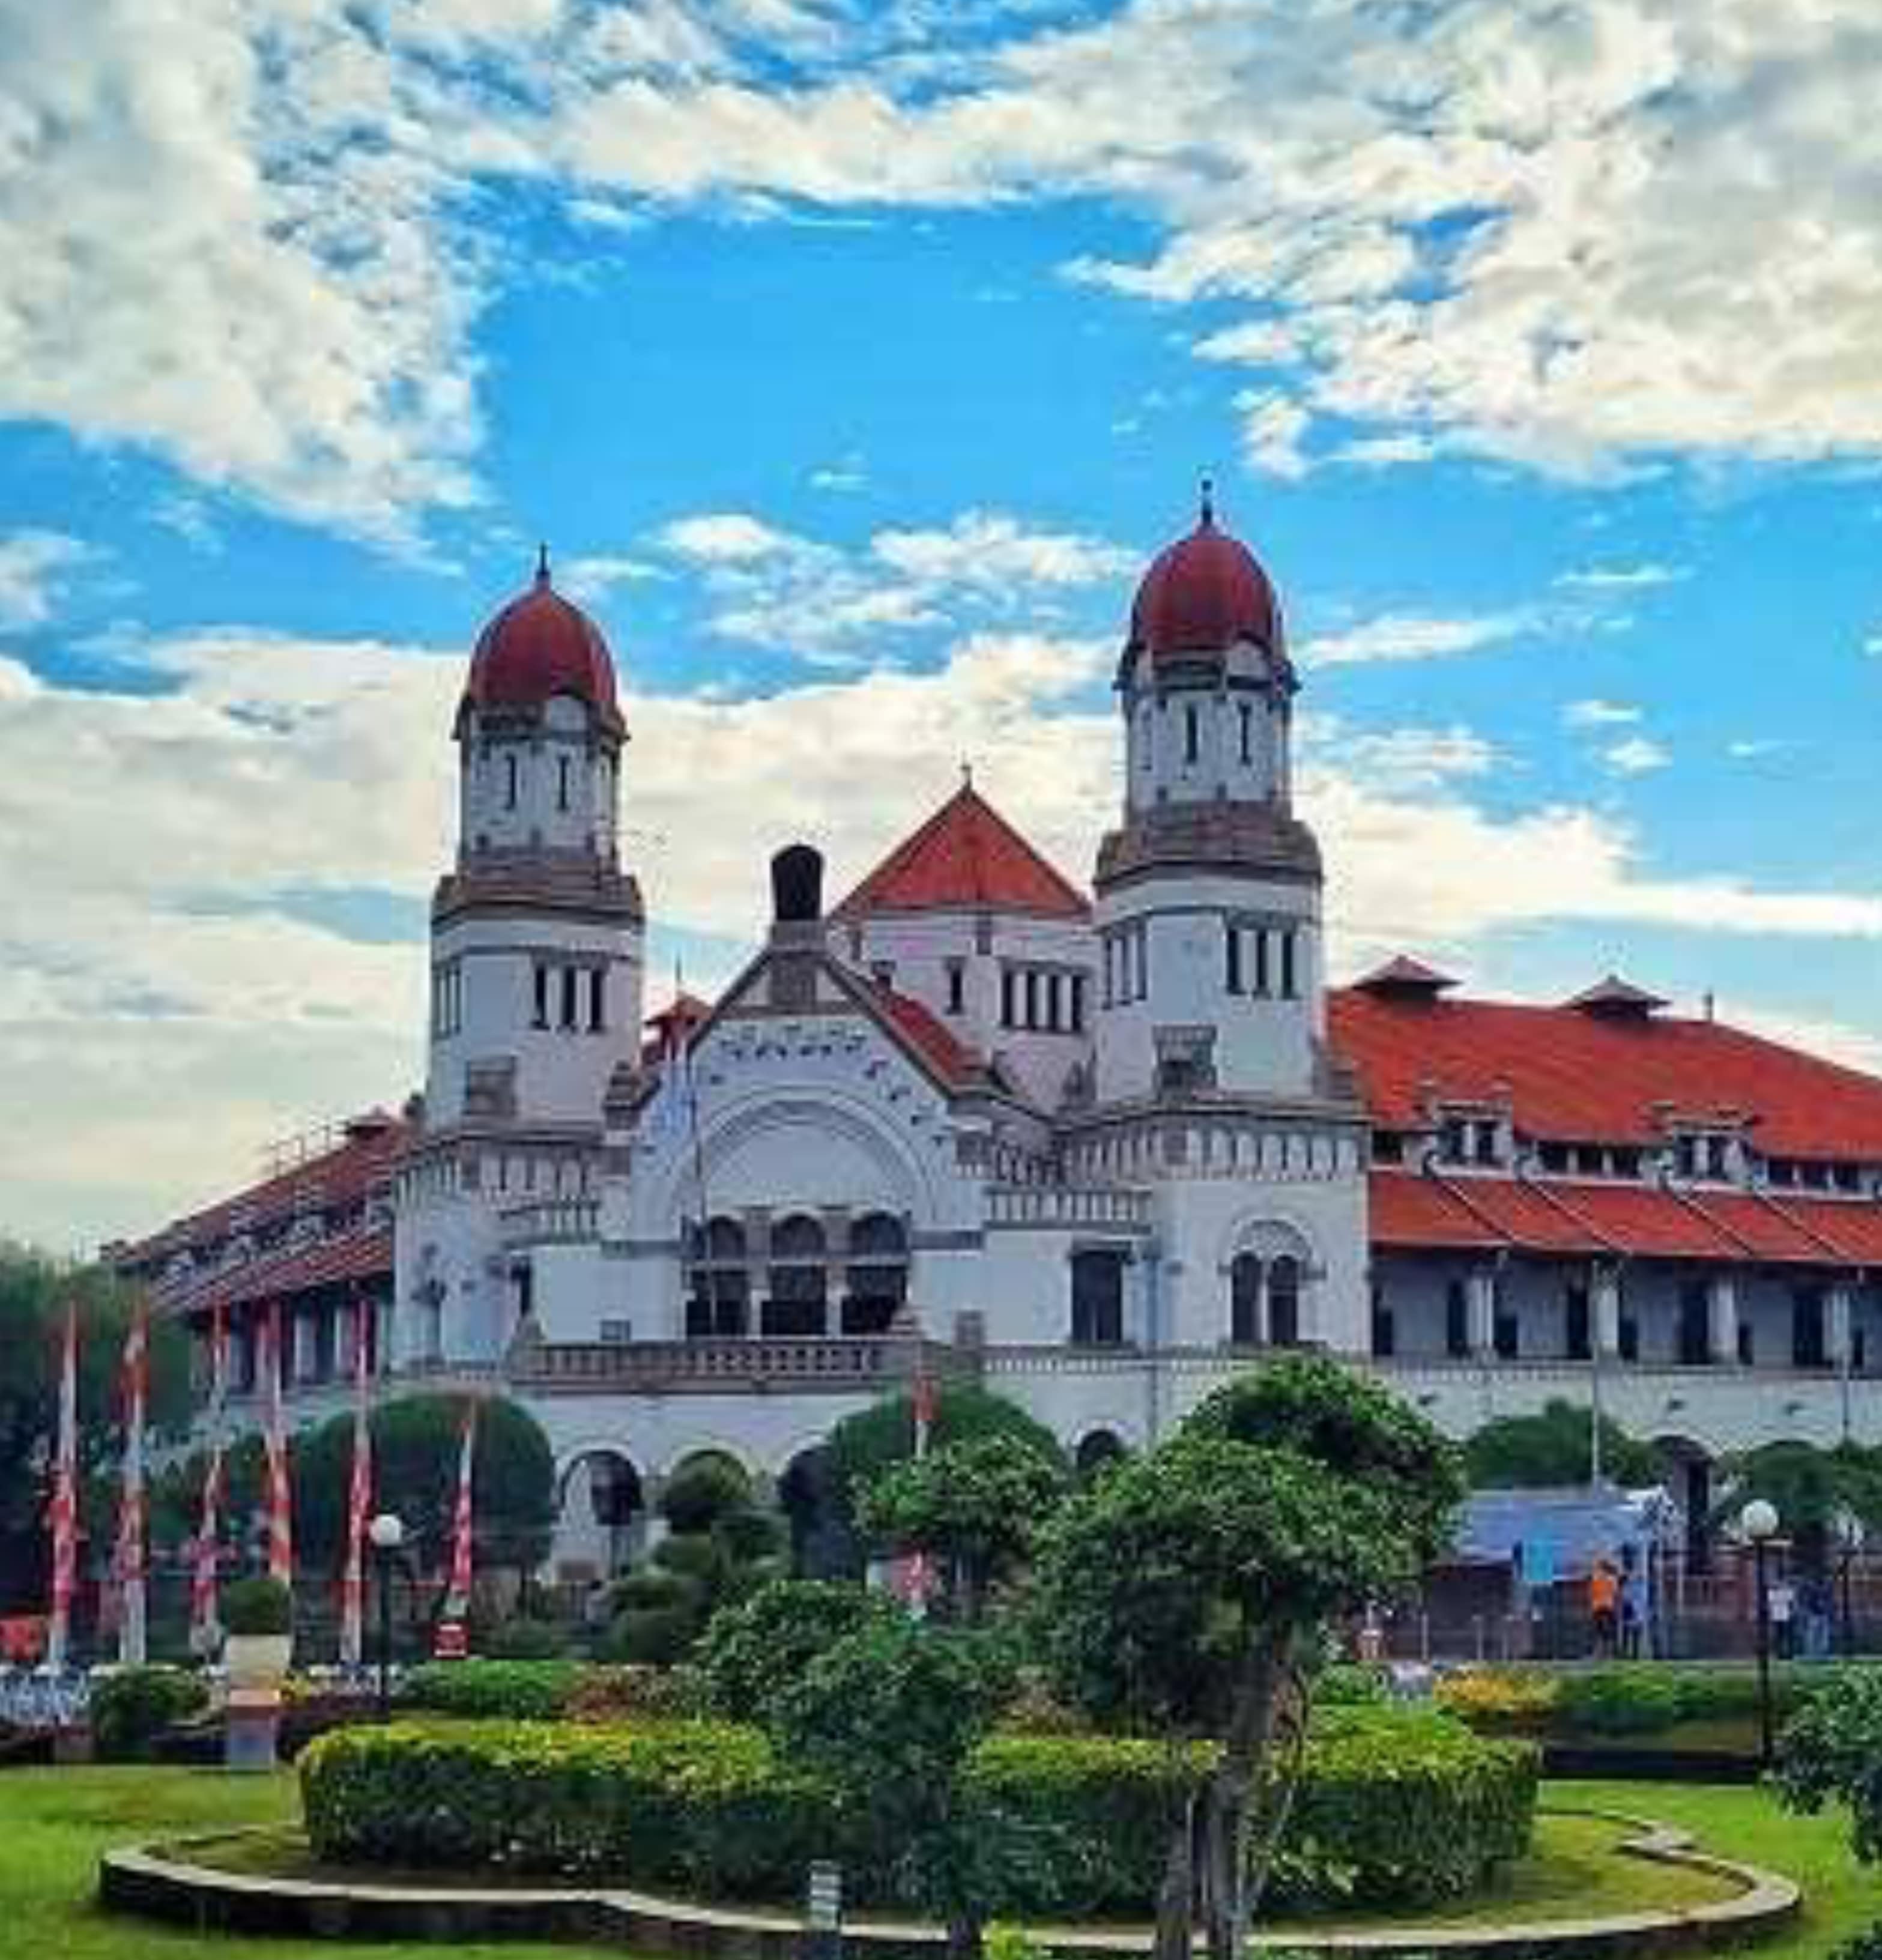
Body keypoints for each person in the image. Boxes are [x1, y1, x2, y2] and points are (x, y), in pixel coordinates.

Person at [1588, 1558, 1620, 1659]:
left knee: (1604, 1632)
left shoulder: (1602, 1579)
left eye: (1598, 1568)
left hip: (1604, 1606)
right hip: (1602, 1606)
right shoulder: (1609, 1579)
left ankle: (1606, 1653)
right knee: (1602, 1631)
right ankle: (1603, 1653)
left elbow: (1614, 1593)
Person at [1767, 1574, 1797, 1660]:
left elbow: (1792, 1604)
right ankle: (1779, 1654)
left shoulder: (1787, 1592)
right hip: (1777, 1617)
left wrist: (1792, 1613)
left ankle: (1789, 1654)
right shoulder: (1772, 1593)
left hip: (1786, 1617)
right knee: (1779, 1637)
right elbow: (1770, 1605)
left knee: (1787, 1637)